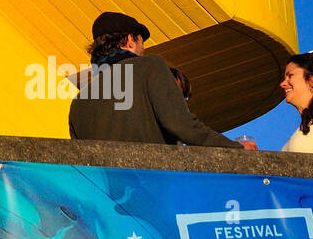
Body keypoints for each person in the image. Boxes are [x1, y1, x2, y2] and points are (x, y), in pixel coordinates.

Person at [68, 11, 256, 149]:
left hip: (111, 200)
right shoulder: (150, 65)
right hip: (155, 189)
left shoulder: (78, 104)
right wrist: (236, 148)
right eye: (142, 43)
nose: (143, 51)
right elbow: (180, 124)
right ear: (130, 40)